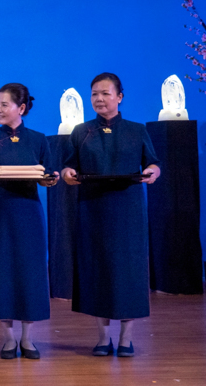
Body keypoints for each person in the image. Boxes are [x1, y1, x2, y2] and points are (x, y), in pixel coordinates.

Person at [61, 73, 160, 358]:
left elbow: (152, 163)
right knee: (98, 270)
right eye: (94, 94)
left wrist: (152, 173)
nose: (99, 99)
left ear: (120, 96)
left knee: (128, 272)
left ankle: (127, 338)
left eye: (105, 93)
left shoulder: (136, 130)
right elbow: (69, 167)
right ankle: (103, 337)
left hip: (128, 210)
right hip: (93, 208)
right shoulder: (81, 131)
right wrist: (68, 175)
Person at [0, 83, 58, 360]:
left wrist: (51, 179)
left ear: (21, 108)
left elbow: (49, 175)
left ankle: (28, 338)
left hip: (28, 213)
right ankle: (8, 339)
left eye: (4, 104)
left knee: (29, 273)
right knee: (2, 272)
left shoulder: (38, 139)